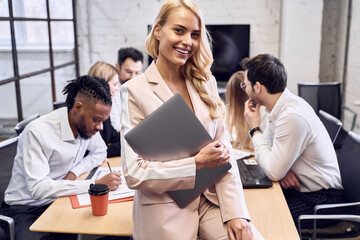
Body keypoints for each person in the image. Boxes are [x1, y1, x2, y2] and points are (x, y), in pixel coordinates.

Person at [120, 1, 263, 239]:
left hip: (212, 201)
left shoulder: (203, 81)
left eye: (195, 34)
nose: (188, 41)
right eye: (179, 30)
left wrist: (236, 212)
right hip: (166, 209)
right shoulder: (135, 91)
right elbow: (134, 173)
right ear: (158, 31)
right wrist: (195, 163)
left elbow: (223, 150)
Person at [0, 76, 122, 240]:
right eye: (97, 120)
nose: (100, 127)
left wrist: (73, 172)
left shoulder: (86, 125)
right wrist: (94, 184)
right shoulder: (37, 133)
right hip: (26, 206)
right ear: (78, 107)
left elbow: (100, 152)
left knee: (109, 227)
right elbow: (38, 189)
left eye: (103, 121)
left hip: (60, 197)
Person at [242, 53, 346, 228]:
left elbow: (273, 169)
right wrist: (281, 168)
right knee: (249, 206)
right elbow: (269, 154)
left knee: (260, 219)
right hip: (302, 189)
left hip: (324, 200)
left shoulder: (291, 116)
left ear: (257, 87)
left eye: (245, 85)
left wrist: (254, 128)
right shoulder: (275, 108)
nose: (244, 89)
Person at [88, 61, 121, 157]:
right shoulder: (89, 113)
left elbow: (112, 135)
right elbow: (98, 151)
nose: (117, 89)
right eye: (115, 84)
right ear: (103, 84)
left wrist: (135, 139)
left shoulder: (103, 108)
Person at [109, 47, 144, 133]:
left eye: (137, 73)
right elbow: (115, 126)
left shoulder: (143, 85)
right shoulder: (112, 91)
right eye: (128, 72)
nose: (133, 77)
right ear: (118, 67)